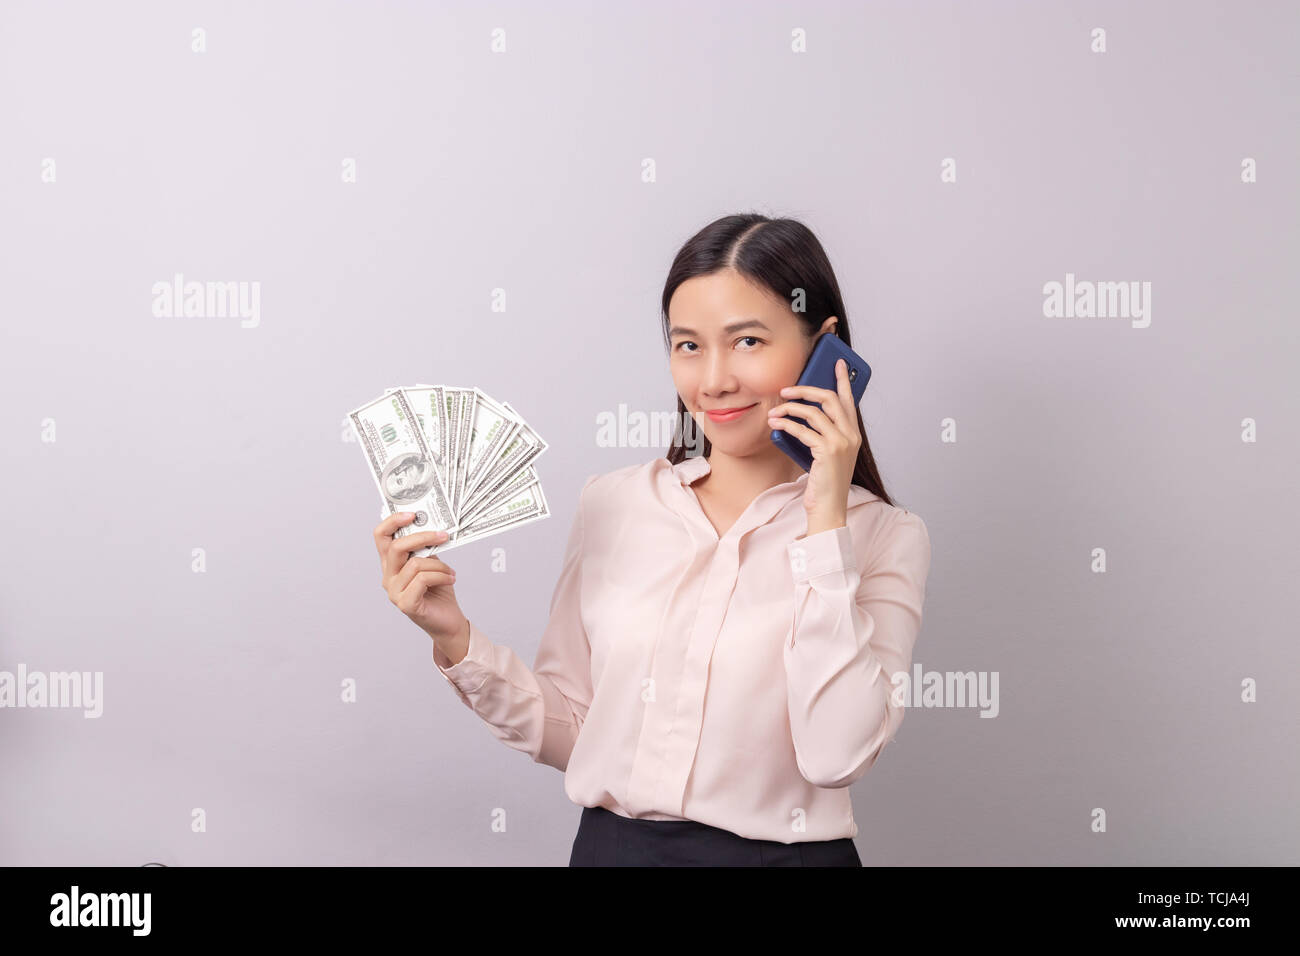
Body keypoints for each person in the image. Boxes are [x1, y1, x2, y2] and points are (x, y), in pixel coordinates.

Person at [372, 213, 932, 866]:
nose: (713, 380)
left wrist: (826, 520)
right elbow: (579, 731)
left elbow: (836, 755)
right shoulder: (613, 504)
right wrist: (454, 637)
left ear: (824, 347)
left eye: (747, 341)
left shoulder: (884, 536)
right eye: (688, 345)